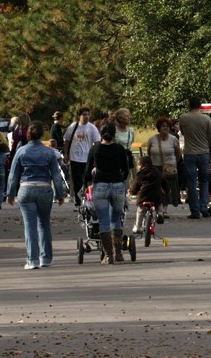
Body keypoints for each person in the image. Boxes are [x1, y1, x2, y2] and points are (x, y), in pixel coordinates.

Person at [5, 123, 68, 268]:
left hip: (26, 189)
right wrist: (60, 193)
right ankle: (46, 258)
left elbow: (13, 175)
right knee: (44, 224)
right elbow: (56, 175)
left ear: (29, 135)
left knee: (30, 226)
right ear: (41, 135)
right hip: (44, 188)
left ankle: (32, 260)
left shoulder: (21, 151)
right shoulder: (49, 152)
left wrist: (10, 193)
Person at [86, 118, 135, 264]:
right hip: (117, 185)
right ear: (114, 134)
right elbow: (126, 170)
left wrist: (87, 183)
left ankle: (108, 255)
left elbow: (87, 170)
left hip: (100, 185)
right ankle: (118, 252)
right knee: (116, 219)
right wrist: (120, 179)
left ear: (101, 133)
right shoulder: (120, 149)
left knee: (104, 221)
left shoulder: (95, 149)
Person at [176, 97, 211, 218]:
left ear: (189, 105)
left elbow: (182, 132)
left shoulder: (183, 118)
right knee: (204, 181)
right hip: (204, 153)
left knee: (191, 182)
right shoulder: (206, 118)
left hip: (190, 153)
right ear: (200, 106)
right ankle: (204, 207)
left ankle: (194, 211)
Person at [143, 117, 182, 218]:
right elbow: (148, 153)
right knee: (157, 189)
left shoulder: (174, 139)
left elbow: (178, 154)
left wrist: (173, 163)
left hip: (169, 167)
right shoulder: (152, 139)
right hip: (156, 167)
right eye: (163, 126)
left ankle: (164, 209)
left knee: (167, 188)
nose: (166, 128)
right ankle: (158, 208)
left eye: (168, 126)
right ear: (159, 128)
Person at [62, 108, 100, 204]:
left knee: (88, 180)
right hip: (75, 157)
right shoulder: (73, 127)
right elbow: (67, 141)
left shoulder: (92, 128)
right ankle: (78, 200)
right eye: (84, 114)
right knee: (77, 180)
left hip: (87, 158)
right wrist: (66, 154)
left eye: (87, 114)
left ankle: (88, 199)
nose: (86, 116)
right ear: (79, 116)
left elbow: (97, 143)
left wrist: (96, 157)